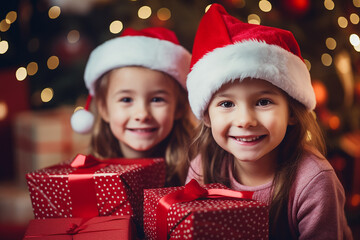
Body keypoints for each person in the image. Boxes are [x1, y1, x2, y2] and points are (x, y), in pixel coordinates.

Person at [185, 4, 353, 239]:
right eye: (226, 104)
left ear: (292, 112)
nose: (245, 120)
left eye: (263, 102)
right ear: (206, 116)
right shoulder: (203, 167)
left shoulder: (314, 181)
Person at [71, 27, 194, 186]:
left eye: (157, 99)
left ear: (179, 107)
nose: (142, 114)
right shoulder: (89, 171)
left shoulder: (195, 170)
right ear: (104, 109)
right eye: (127, 99)